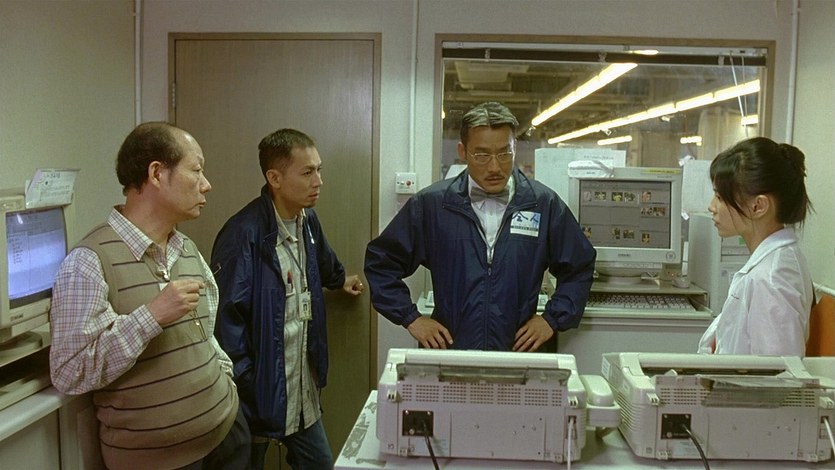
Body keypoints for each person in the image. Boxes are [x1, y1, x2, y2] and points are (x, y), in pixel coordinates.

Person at [49, 122, 250, 469]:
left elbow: (206, 336)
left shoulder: (186, 248)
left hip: (226, 433)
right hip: (157, 461)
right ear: (156, 173)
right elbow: (70, 371)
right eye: (197, 170)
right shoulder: (88, 262)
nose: (206, 184)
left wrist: (224, 380)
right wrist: (151, 316)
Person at [364, 102, 596, 351]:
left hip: (518, 352)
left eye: (504, 153)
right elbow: (381, 264)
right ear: (463, 152)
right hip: (450, 350)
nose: (495, 167)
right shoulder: (432, 206)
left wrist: (551, 319)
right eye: (482, 155)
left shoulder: (543, 204)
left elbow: (579, 267)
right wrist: (412, 318)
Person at [211, 128, 363, 469]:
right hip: (257, 392)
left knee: (320, 463)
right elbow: (225, 321)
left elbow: (321, 261)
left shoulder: (307, 220)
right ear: (275, 178)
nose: (319, 181)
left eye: (319, 170)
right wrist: (248, 382)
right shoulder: (243, 234)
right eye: (307, 172)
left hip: (300, 385)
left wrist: (340, 280)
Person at [697, 137, 814, 355]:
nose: (711, 206)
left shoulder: (771, 280)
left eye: (720, 197)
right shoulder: (770, 265)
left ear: (758, 206)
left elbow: (775, 370)